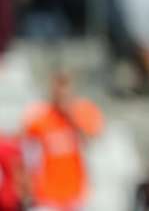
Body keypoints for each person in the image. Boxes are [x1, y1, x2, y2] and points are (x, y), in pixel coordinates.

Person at [21, 72, 103, 210]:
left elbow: (92, 144)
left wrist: (72, 118)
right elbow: (28, 154)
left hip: (76, 193)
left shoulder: (83, 112)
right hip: (47, 194)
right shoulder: (40, 117)